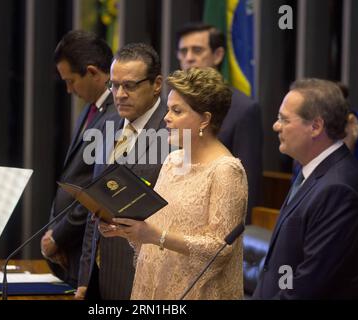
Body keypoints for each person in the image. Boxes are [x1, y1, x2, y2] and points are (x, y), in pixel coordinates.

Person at [101, 67, 248, 299]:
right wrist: (127, 230)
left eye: (177, 111)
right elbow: (153, 231)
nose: (167, 118)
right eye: (168, 109)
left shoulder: (226, 171)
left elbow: (220, 249)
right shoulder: (172, 160)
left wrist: (154, 236)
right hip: (152, 286)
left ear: (205, 119)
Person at [253, 79, 358, 299]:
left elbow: (308, 284)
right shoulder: (311, 170)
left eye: (284, 119)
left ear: (316, 126)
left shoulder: (338, 189)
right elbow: (283, 266)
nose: (276, 126)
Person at [76, 43, 169, 300]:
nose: (119, 94)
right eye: (114, 85)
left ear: (157, 84)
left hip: (144, 277)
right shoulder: (107, 125)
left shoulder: (173, 133)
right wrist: (85, 278)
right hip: (100, 274)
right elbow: (94, 205)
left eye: (130, 85)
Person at [39, 30, 116, 288]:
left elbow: (98, 189)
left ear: (93, 72)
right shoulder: (90, 109)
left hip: (87, 250)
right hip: (67, 251)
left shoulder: (116, 116)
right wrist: (53, 232)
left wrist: (59, 236)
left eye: (71, 81)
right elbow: (71, 177)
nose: (69, 89)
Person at [176, 22, 262, 224]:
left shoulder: (243, 109)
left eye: (197, 50)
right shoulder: (172, 105)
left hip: (216, 224)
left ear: (218, 55)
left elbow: (247, 184)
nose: (188, 57)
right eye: (183, 51)